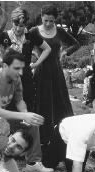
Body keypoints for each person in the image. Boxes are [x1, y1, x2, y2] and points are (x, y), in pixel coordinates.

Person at [0, 49, 53, 172]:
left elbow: (19, 100)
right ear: (5, 66)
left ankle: (33, 163)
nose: (21, 72)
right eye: (17, 68)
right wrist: (23, 115)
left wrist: (26, 114)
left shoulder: (15, 79)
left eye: (22, 68)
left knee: (33, 123)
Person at [30, 4, 80, 146]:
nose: (48, 23)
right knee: (43, 103)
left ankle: (62, 138)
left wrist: (65, 52)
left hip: (56, 72)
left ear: (55, 20)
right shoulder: (34, 31)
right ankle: (42, 139)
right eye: (46, 20)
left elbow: (76, 44)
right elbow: (25, 47)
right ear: (41, 18)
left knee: (60, 104)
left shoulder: (59, 31)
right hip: (41, 71)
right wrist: (33, 56)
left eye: (51, 21)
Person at [0, 7, 51, 112]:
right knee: (9, 104)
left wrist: (37, 63)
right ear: (12, 22)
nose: (18, 28)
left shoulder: (30, 35)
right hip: (9, 77)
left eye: (22, 26)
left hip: (26, 76)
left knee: (27, 102)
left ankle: (27, 124)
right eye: (16, 25)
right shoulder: (5, 36)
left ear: (25, 25)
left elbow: (47, 49)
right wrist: (0, 59)